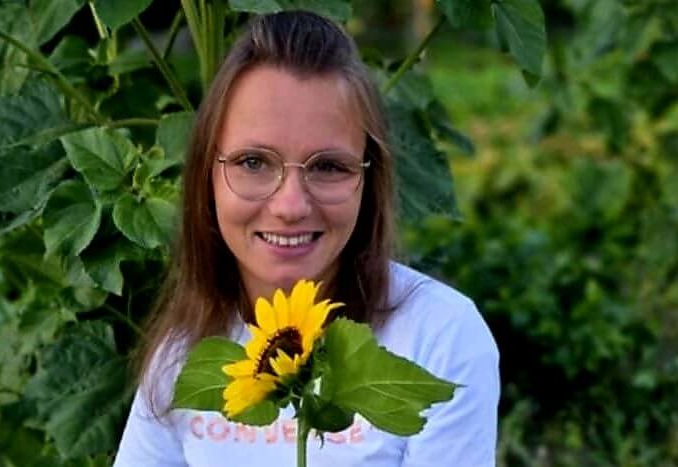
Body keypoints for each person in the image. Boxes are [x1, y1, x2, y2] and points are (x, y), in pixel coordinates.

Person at [113, 10, 499, 467]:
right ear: (206, 176)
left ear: (368, 180)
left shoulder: (439, 336)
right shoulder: (182, 353)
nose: (290, 205)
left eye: (328, 167)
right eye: (254, 162)